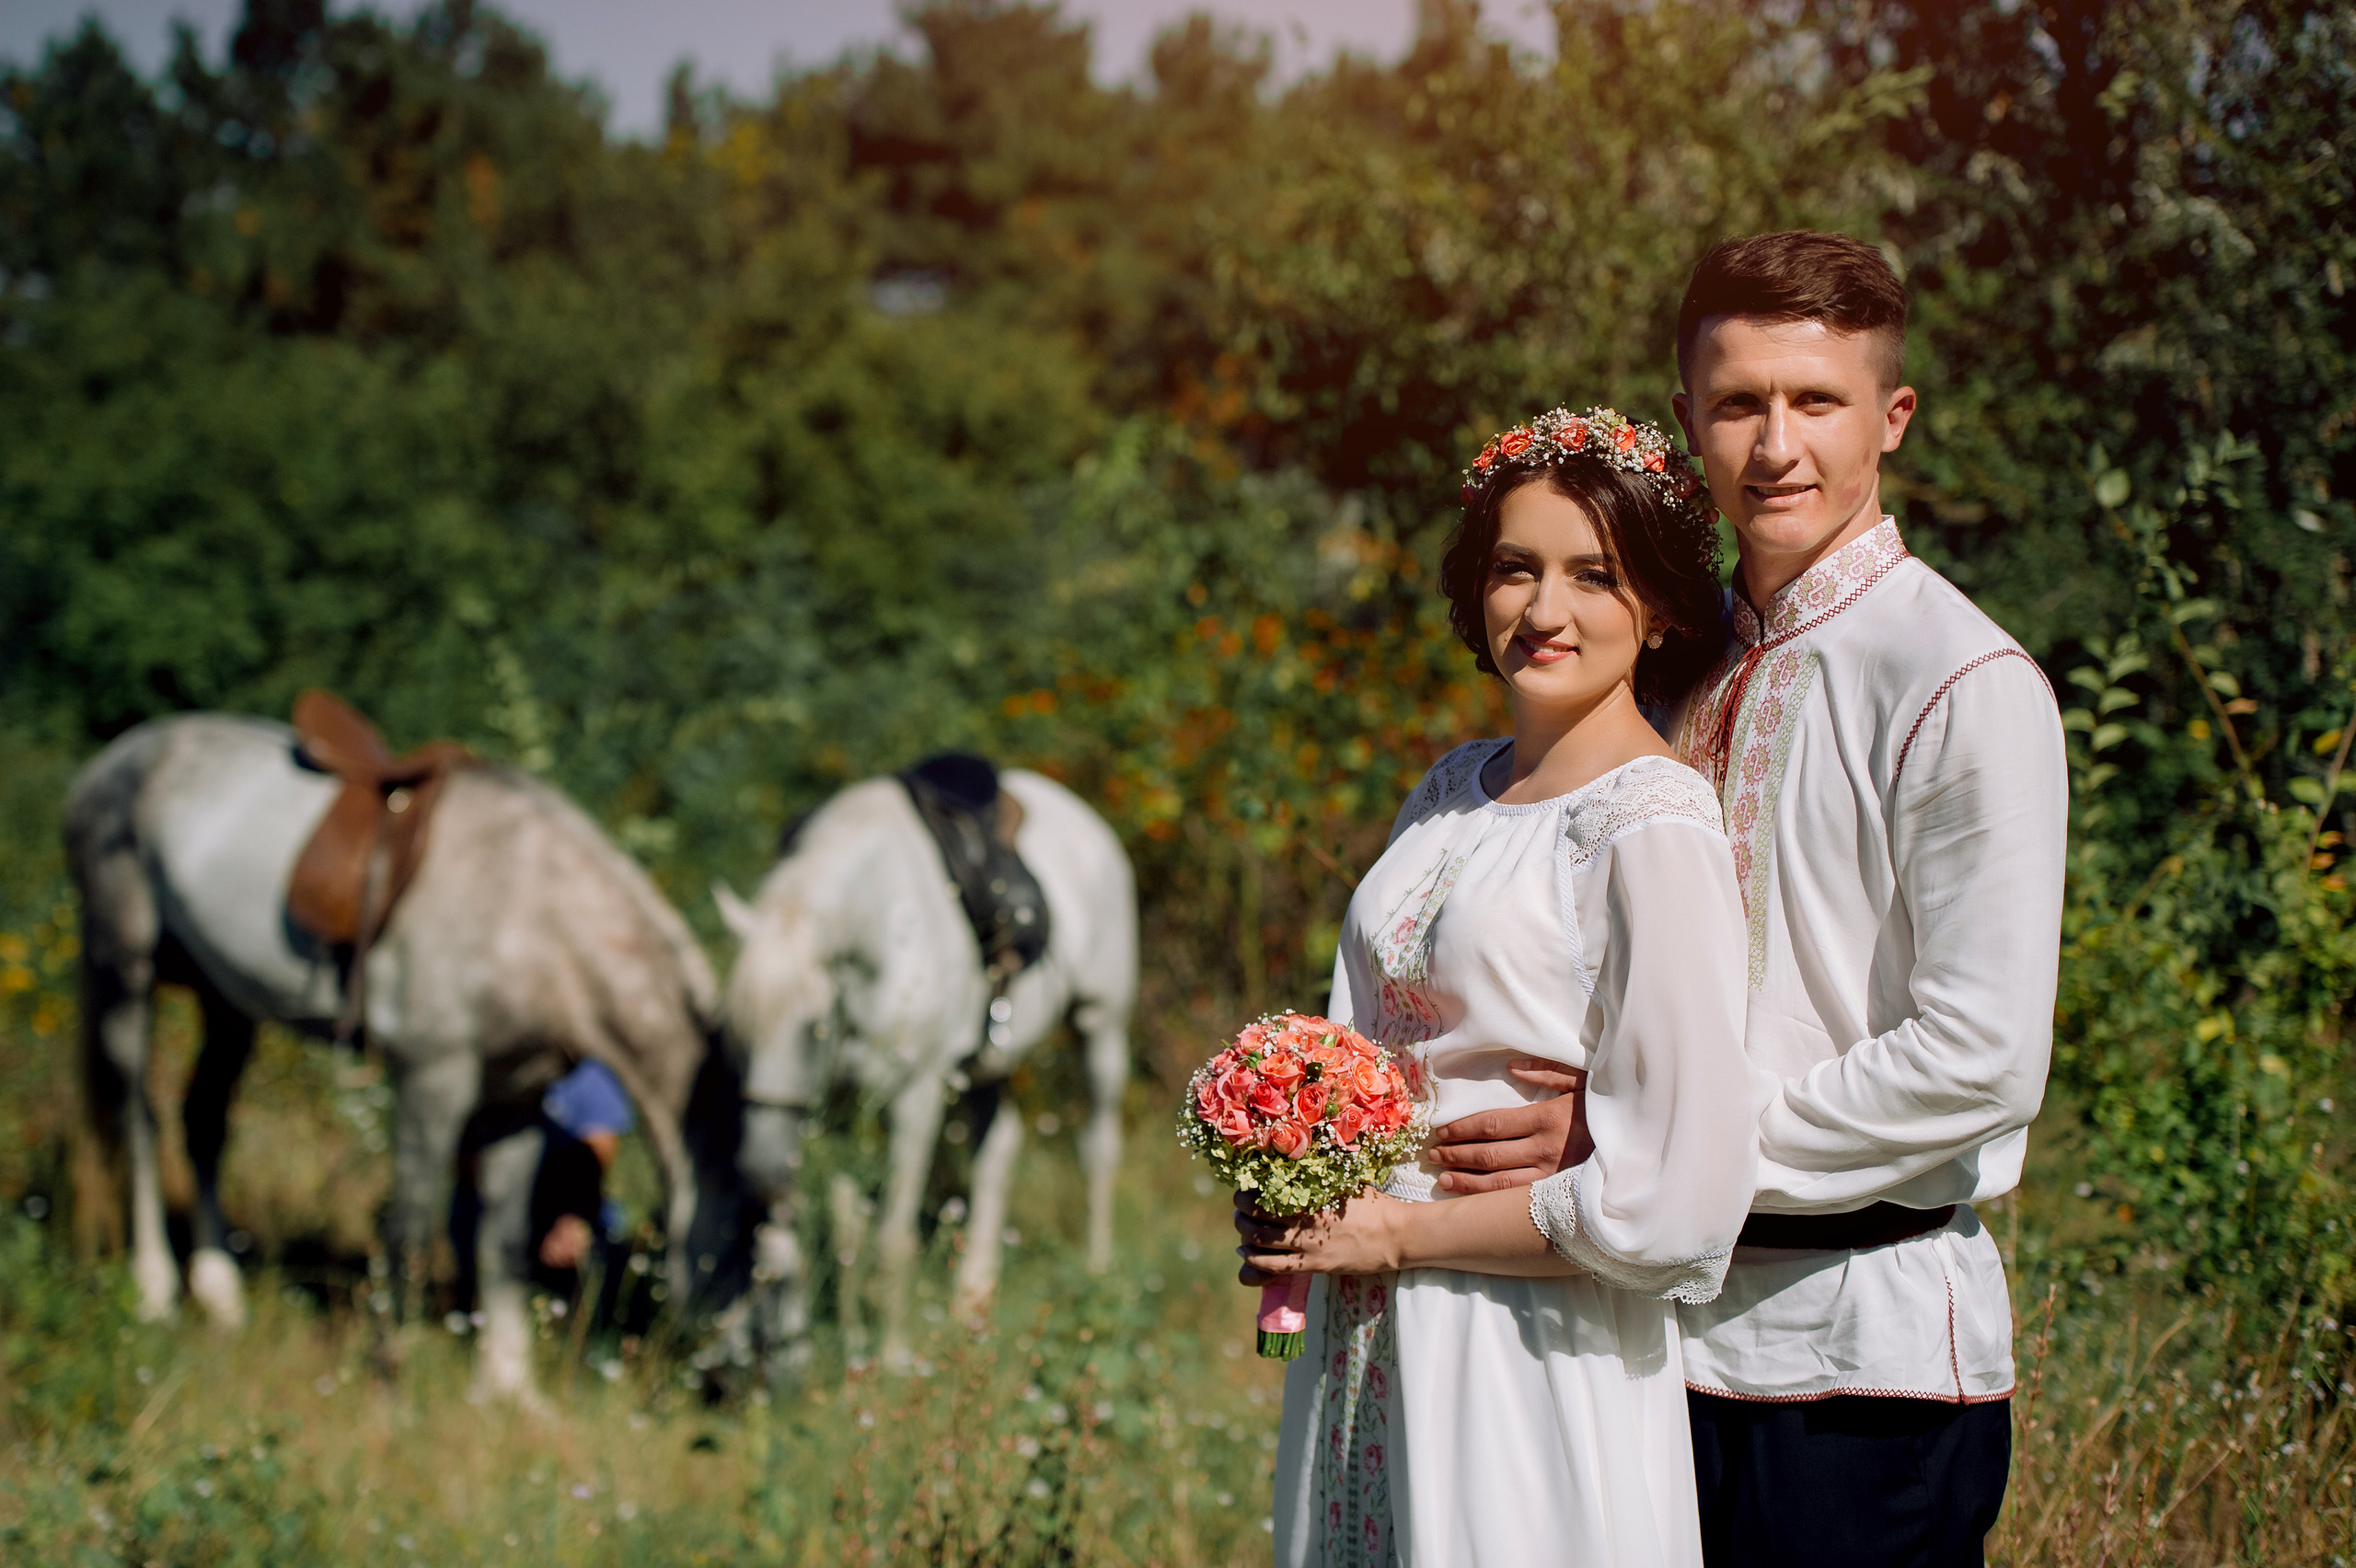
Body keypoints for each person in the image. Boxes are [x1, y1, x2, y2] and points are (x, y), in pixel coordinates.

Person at [1420, 232, 2068, 1565]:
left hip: (1858, 1364)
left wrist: (1649, 1146)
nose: (1777, 445)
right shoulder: (1657, 666)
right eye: (1739, 404)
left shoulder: (1960, 682)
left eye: (1816, 401)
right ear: (1687, 426)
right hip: (1633, 1345)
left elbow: (1979, 1062)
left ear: (1891, 417)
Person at [1240, 406, 1758, 1565]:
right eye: (1515, 570)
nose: (1544, 610)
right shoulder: (1449, 789)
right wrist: (1290, 1171)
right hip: (1368, 1320)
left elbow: (1674, 1192)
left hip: (1528, 1342)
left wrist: (1403, 1235)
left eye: (1594, 575)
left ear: (1663, 604)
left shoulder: (1650, 824)